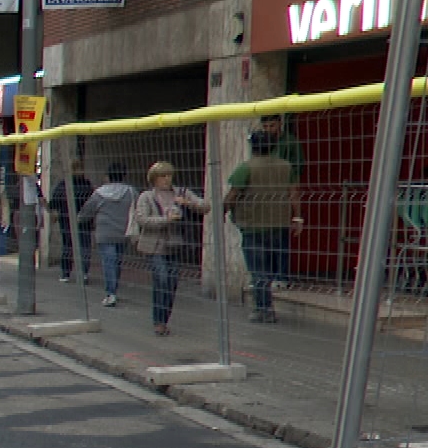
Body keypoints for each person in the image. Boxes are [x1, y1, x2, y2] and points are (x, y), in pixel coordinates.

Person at [225, 131, 300, 324]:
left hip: (253, 225)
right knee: (272, 266)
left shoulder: (246, 168)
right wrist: (297, 217)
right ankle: (267, 304)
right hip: (279, 223)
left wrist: (223, 211)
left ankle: (263, 308)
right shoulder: (286, 167)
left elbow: (233, 194)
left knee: (258, 270)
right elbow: (294, 193)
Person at [132, 160, 210, 337]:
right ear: (154, 179)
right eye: (162, 176)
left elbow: (206, 206)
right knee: (161, 278)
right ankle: (158, 321)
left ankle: (164, 318)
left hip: (174, 244)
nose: (166, 180)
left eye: (169, 175)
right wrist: (166, 220)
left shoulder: (181, 192)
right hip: (154, 246)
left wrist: (188, 203)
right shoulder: (146, 197)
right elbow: (142, 219)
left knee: (172, 283)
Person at [76, 161, 136, 307]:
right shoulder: (131, 192)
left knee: (108, 262)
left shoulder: (99, 193)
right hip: (123, 232)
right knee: (117, 262)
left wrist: (79, 219)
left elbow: (87, 211)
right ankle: (114, 289)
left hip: (104, 232)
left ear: (108, 176)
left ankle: (111, 293)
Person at [51, 160, 97, 284]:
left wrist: (55, 213)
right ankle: (81, 273)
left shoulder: (65, 184)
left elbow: (54, 202)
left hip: (69, 220)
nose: (79, 171)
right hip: (80, 221)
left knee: (70, 247)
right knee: (82, 247)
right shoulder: (85, 185)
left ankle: (68, 273)